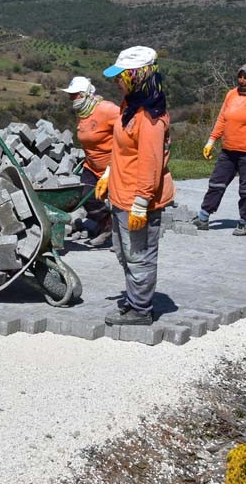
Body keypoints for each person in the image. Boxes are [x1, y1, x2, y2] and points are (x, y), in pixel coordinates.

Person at [95, 46, 175, 326]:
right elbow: (123, 149)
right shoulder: (130, 106)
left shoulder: (150, 117)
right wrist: (108, 173)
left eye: (121, 76)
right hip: (121, 194)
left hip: (137, 201)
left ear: (136, 76)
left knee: (139, 256)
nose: (116, 82)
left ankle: (141, 310)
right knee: (124, 252)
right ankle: (134, 300)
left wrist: (141, 202)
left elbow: (150, 163)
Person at [192, 62, 246, 236]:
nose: (242, 80)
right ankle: (204, 217)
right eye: (240, 76)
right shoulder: (231, 94)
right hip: (228, 151)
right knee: (216, 183)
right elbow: (222, 119)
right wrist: (211, 140)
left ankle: (244, 222)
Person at [60, 76, 118, 246]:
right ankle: (107, 226)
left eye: (75, 95)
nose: (71, 98)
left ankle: (123, 241)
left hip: (113, 167)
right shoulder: (82, 112)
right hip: (92, 166)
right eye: (70, 95)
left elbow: (129, 128)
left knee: (119, 203)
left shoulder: (108, 110)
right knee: (87, 197)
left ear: (86, 94)